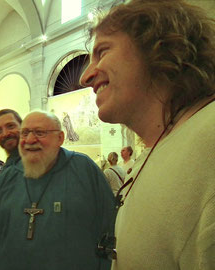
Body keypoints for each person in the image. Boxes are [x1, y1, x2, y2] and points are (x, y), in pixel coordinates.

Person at [80, 0, 215, 269]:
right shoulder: (162, 149)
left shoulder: (209, 141)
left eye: (103, 51)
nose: (85, 77)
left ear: (160, 46)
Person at [0, 110, 115, 270]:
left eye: (40, 132)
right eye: (24, 133)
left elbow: (110, 228)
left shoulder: (84, 170)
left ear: (60, 137)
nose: (30, 140)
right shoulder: (6, 178)